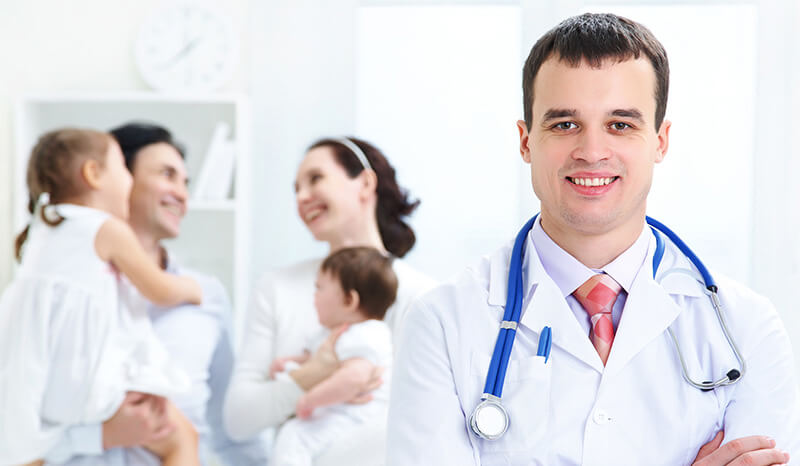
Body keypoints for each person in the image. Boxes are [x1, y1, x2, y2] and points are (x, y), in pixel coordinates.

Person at [387, 13, 800, 466]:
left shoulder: (747, 328)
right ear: (525, 141)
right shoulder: (442, 323)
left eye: (621, 124)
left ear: (660, 141)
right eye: (564, 124)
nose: (592, 151)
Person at [34, 123, 268, 465]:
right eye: (167, 175)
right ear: (117, 179)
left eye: (186, 183)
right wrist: (99, 435)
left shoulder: (207, 297)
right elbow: (18, 431)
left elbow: (231, 433)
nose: (183, 195)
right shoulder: (64, 294)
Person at [224, 137, 437, 464]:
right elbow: (238, 419)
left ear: (365, 183)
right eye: (295, 188)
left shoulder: (420, 294)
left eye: (315, 179)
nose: (301, 197)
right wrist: (316, 372)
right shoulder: (277, 288)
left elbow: (424, 422)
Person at [0, 128, 201, 466]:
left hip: (48, 397)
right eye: (122, 167)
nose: (128, 181)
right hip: (94, 392)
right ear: (93, 174)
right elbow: (159, 289)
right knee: (182, 435)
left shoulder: (41, 234)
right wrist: (191, 289)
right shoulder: (105, 228)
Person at [270, 247, 397, 465]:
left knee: (295, 437)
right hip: (340, 413)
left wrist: (311, 399)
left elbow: (354, 378)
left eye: (319, 288)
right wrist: (289, 363)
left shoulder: (367, 332)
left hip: (357, 417)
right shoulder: (332, 333)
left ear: (349, 300)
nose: (314, 296)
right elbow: (320, 361)